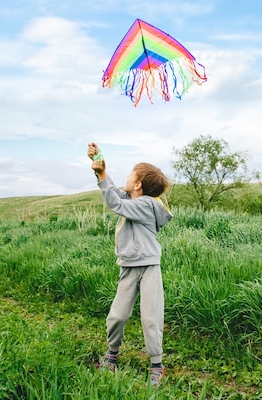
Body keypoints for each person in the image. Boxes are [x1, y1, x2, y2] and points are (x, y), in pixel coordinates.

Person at [87, 142, 173, 387]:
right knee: (117, 315)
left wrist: (102, 175)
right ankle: (112, 354)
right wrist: (98, 165)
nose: (126, 178)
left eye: (130, 175)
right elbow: (114, 192)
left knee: (150, 317)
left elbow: (115, 203)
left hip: (148, 267)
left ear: (138, 185)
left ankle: (157, 365)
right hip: (128, 266)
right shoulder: (132, 198)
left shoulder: (146, 205)